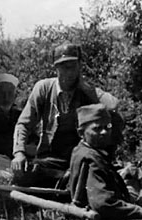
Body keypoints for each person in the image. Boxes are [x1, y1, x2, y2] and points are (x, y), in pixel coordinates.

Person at [12, 42, 123, 188]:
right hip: (49, 158)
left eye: (73, 66)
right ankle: (65, 181)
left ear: (80, 67)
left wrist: (84, 86)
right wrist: (19, 153)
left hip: (79, 157)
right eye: (64, 67)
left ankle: (70, 180)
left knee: (92, 175)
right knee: (23, 175)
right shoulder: (44, 89)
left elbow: (113, 105)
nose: (69, 72)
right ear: (56, 68)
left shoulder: (86, 92)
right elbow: (24, 124)